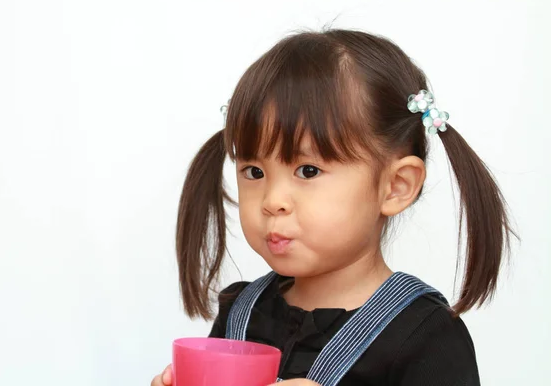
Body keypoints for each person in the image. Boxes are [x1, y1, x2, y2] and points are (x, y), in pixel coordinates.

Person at [151, 28, 515, 386]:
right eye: (254, 171)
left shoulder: (426, 337)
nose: (272, 201)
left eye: (307, 170)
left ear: (395, 186)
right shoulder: (241, 315)